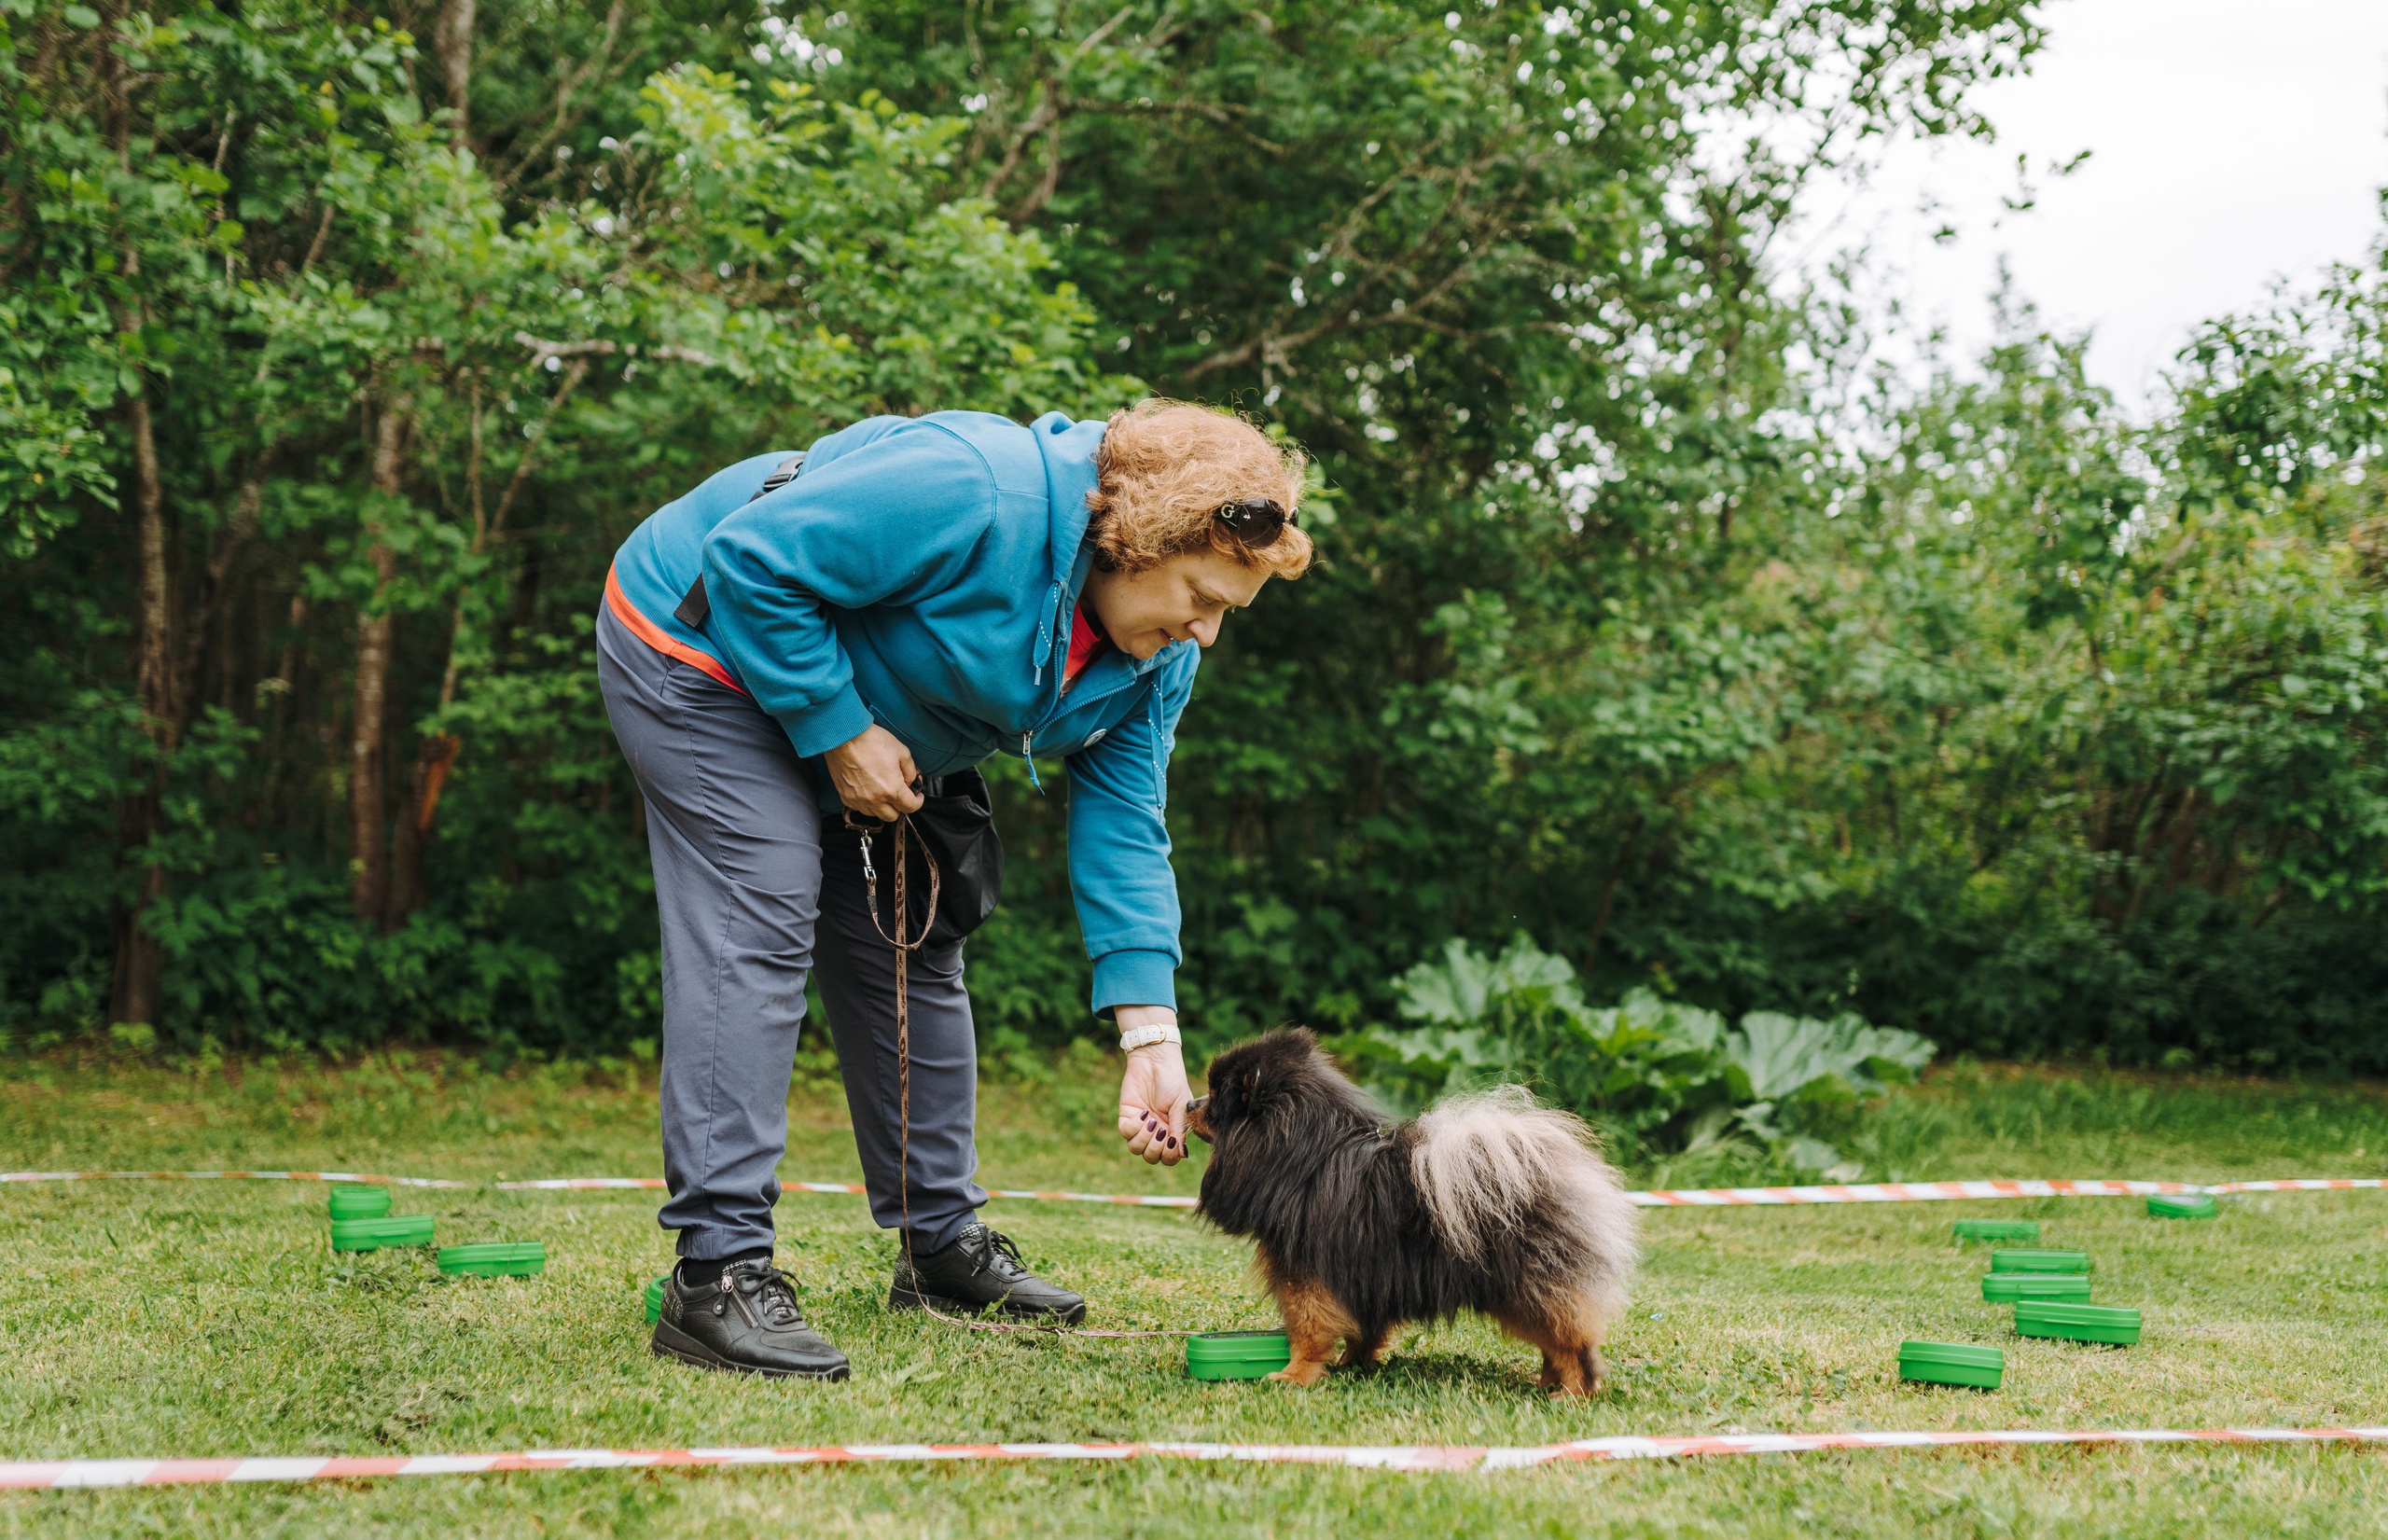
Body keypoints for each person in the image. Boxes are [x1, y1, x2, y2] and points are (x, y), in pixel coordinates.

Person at [596, 398, 1313, 1380]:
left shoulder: (1157, 662)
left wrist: (1152, 1035)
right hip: (701, 646)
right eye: (1201, 595)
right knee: (761, 912)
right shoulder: (975, 489)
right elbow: (750, 560)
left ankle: (939, 1246)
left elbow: (1125, 822)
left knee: (915, 936)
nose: (1205, 631)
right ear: (1138, 540)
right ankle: (715, 1274)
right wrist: (837, 728)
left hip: (889, 705)